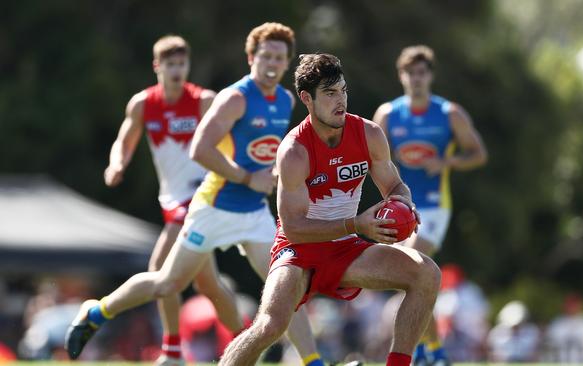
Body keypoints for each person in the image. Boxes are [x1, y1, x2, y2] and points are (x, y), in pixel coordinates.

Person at [65, 22, 327, 366]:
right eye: (265, 55)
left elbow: (270, 149)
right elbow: (200, 149)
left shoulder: (285, 99)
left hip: (254, 214)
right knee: (166, 283)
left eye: (279, 57)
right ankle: (97, 312)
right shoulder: (234, 98)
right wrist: (247, 178)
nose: (272, 63)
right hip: (213, 207)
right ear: (251, 58)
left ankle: (314, 362)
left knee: (286, 287)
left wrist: (278, 171)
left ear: (287, 61)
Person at [219, 53, 441, 366]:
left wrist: (404, 202)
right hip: (299, 250)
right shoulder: (294, 151)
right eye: (330, 93)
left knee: (426, 273)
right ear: (307, 98)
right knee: (271, 325)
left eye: (343, 91)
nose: (341, 101)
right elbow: (294, 227)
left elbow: (394, 186)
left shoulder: (368, 133)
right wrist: (357, 225)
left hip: (348, 248)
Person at [100, 34, 243, 366]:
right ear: (157, 67)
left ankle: (172, 351)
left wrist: (235, 178)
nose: (178, 70)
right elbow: (125, 138)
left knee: (160, 272)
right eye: (171, 64)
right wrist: (117, 163)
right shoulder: (143, 104)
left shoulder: (204, 101)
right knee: (209, 285)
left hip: (202, 197)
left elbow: (229, 142)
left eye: (182, 64)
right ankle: (246, 342)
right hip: (172, 200)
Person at [373, 45, 488, 366]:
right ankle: (433, 351)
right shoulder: (388, 114)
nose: (416, 79)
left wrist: (447, 161)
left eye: (422, 72)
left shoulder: (449, 113)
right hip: (401, 208)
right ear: (401, 76)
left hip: (435, 208)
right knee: (414, 280)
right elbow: (371, 157)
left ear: (430, 76)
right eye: (410, 73)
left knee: (409, 267)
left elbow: (477, 153)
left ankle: (420, 352)